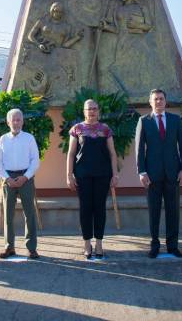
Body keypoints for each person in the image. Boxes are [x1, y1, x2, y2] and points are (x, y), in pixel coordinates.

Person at [135, 89, 182, 258]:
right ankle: (154, 245)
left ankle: (173, 246)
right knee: (154, 211)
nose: (158, 101)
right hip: (152, 175)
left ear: (166, 101)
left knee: (173, 211)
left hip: (173, 173)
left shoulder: (175, 120)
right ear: (150, 102)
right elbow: (139, 149)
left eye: (161, 99)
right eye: (155, 99)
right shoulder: (144, 121)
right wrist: (142, 171)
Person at [66, 99, 119, 259]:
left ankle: (99, 244)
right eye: (89, 109)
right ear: (84, 111)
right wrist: (69, 175)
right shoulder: (77, 129)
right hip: (82, 176)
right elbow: (71, 154)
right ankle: (87, 244)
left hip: (102, 175)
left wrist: (115, 174)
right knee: (85, 209)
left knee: (100, 209)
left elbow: (112, 154)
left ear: (98, 110)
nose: (92, 111)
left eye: (94, 108)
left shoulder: (105, 129)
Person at [0, 108, 41, 259]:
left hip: (26, 178)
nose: (16, 122)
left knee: (29, 214)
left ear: (22, 121)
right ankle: (9, 247)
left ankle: (31, 248)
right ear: (8, 122)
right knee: (8, 215)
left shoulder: (29, 138)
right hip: (8, 178)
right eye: (13, 120)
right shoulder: (2, 139)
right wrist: (7, 178)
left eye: (18, 119)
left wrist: (25, 177)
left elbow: (35, 160)